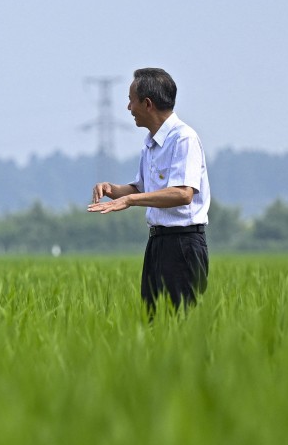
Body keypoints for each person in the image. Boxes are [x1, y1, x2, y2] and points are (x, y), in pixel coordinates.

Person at [88, 68, 210, 315]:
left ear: (147, 103)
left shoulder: (183, 138)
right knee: (153, 322)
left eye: (131, 100)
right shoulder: (151, 143)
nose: (128, 108)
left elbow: (182, 194)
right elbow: (141, 188)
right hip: (157, 243)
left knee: (182, 324)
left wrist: (131, 200)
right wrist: (114, 190)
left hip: (183, 244)